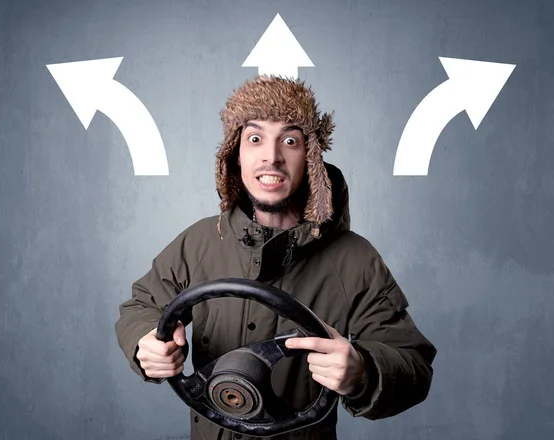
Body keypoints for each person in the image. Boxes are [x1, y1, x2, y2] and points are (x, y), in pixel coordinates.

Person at [115, 75, 437, 440]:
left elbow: (414, 365)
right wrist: (146, 341)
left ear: (310, 157)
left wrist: (363, 371)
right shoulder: (200, 240)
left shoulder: (355, 259)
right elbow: (142, 305)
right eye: (255, 139)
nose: (272, 156)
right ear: (236, 155)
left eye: (289, 141)